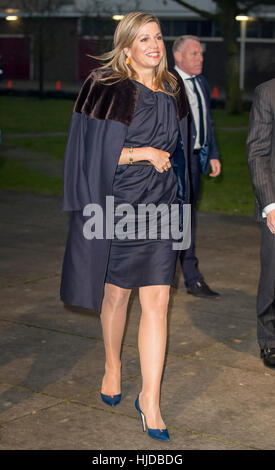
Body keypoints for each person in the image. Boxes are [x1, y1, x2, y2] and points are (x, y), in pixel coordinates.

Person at [60, 12, 190, 441]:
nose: (154, 45)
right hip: (115, 204)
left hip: (162, 205)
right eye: (143, 39)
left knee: (157, 301)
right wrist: (142, 154)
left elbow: (180, 150)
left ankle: (150, 399)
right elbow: (87, 155)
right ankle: (112, 365)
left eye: (158, 37)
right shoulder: (105, 87)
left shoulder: (174, 89)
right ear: (127, 46)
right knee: (115, 294)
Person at [172, 35, 221, 298]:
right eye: (194, 54)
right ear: (178, 56)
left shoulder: (201, 82)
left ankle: (191, 279)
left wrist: (211, 152)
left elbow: (207, 121)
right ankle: (167, 278)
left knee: (187, 219)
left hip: (195, 160)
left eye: (201, 54)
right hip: (173, 165)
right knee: (174, 221)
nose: (200, 58)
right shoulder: (167, 84)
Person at [247, 78, 275, 369]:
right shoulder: (267, 92)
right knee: (273, 276)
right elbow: (257, 152)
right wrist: (270, 204)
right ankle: (270, 340)